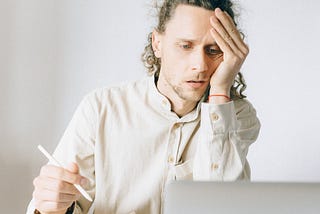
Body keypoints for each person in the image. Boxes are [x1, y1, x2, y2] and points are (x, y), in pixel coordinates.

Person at [27, 0, 260, 213]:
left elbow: (222, 207)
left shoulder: (235, 116)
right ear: (157, 44)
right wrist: (53, 206)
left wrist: (220, 92)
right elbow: (58, 203)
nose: (199, 65)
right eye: (185, 46)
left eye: (213, 50)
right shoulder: (101, 108)